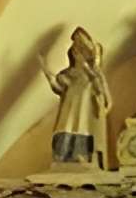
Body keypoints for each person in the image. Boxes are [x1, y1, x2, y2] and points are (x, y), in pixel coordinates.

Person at [42, 26, 110, 166]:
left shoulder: (93, 75)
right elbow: (59, 88)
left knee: (81, 130)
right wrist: (48, 75)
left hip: (84, 114)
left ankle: (82, 158)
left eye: (79, 49)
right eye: (74, 50)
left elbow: (101, 93)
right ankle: (62, 159)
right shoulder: (68, 74)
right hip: (68, 111)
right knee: (65, 130)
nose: (76, 52)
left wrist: (87, 69)